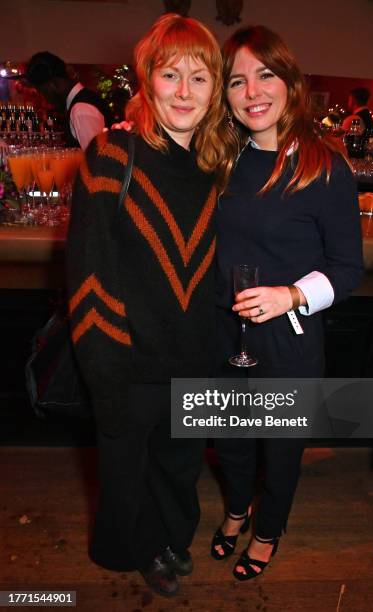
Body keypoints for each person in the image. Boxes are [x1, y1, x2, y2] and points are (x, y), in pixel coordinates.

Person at [66, 14, 225, 597]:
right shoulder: (111, 153)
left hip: (194, 358)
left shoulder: (214, 168)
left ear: (215, 89)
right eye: (170, 74)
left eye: (200, 78)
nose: (184, 91)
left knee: (180, 470)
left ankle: (169, 542)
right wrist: (107, 368)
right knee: (128, 476)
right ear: (147, 79)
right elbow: (87, 269)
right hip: (127, 360)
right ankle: (138, 551)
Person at [211, 26, 364, 581]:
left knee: (279, 451)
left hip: (289, 340)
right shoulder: (222, 159)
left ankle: (268, 530)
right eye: (236, 81)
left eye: (265, 74)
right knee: (228, 442)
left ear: (290, 81)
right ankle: (234, 511)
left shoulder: (324, 166)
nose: (252, 90)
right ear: (224, 96)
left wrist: (292, 294)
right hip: (221, 334)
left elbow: (349, 268)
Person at [24, 51, 112, 149]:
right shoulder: (83, 100)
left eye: (44, 92)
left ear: (53, 85)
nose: (46, 99)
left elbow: (97, 159)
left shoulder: (80, 109)